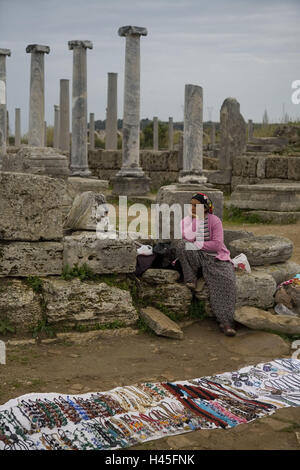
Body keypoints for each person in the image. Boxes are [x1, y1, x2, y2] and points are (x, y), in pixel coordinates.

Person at [175, 192, 237, 337]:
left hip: (216, 258)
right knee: (182, 246)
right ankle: (190, 278)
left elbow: (216, 245)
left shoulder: (214, 221)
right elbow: (186, 239)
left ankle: (226, 322)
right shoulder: (186, 221)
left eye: (196, 205)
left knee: (226, 281)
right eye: (191, 205)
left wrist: (197, 244)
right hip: (197, 257)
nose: (193, 208)